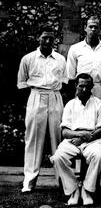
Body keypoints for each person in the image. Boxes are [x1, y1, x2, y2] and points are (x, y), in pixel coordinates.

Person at [17, 27, 67, 193]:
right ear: (38, 38)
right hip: (36, 96)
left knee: (58, 139)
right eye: (44, 38)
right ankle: (29, 182)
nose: (47, 41)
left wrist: (57, 99)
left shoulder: (60, 59)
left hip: (55, 96)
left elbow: (65, 83)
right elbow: (22, 84)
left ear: (54, 40)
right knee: (33, 139)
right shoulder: (28, 58)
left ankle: (63, 181)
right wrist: (32, 102)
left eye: (50, 38)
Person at [50, 73, 101, 206]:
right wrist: (81, 135)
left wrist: (86, 138)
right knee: (58, 157)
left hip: (92, 140)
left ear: (92, 86)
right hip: (72, 140)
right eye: (81, 86)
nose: (84, 89)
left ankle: (86, 190)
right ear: (76, 86)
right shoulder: (70, 104)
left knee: (99, 157)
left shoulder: (99, 104)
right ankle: (74, 189)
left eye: (87, 86)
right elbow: (65, 131)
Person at [66, 16, 101, 120]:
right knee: (83, 119)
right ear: (85, 28)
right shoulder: (75, 49)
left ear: (100, 30)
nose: (93, 29)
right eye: (91, 26)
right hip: (82, 89)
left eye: (96, 27)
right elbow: (70, 76)